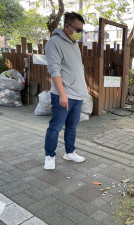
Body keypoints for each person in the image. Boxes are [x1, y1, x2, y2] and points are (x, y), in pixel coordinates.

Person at [44, 12, 88, 170]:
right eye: (77, 29)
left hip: (77, 94)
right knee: (55, 127)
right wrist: (62, 95)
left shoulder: (74, 43)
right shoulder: (54, 43)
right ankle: (49, 155)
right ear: (67, 26)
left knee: (72, 127)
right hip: (63, 95)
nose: (79, 33)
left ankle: (70, 152)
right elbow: (54, 71)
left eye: (81, 30)